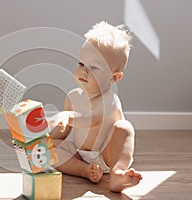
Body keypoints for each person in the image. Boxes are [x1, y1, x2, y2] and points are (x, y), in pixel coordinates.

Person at [49, 21, 142, 192]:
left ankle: (117, 173)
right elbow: (62, 133)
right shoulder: (73, 96)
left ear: (114, 78)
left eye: (94, 68)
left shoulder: (109, 100)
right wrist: (48, 132)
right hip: (80, 154)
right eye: (81, 64)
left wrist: (68, 116)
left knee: (124, 128)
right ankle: (83, 170)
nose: (84, 71)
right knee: (49, 148)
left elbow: (91, 120)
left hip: (106, 154)